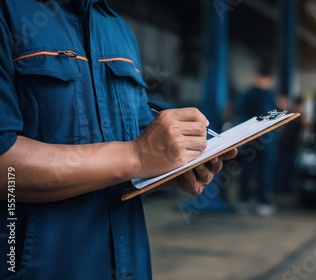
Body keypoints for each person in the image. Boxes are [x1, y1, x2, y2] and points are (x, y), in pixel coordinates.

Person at [0, 1, 237, 279]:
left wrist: (173, 166)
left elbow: (137, 142)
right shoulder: (9, 13)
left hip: (130, 267)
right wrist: (137, 156)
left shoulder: (117, 29)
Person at [235, 64, 277, 216]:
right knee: (255, 172)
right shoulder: (261, 94)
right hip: (259, 141)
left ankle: (251, 202)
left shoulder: (252, 94)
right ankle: (256, 202)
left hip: (255, 140)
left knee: (255, 172)